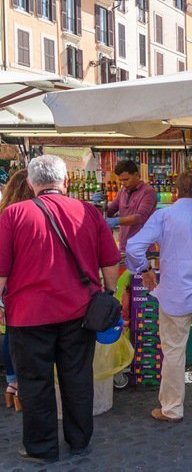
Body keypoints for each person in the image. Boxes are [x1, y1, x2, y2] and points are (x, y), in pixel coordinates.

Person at [0, 155, 119, 464]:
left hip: (27, 316)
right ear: (65, 181)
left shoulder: (13, 214)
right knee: (78, 378)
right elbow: (110, 260)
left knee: (35, 382)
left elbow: (0, 272)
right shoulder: (88, 212)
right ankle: (80, 442)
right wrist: (108, 292)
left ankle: (41, 448)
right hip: (79, 312)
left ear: (30, 182)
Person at [126, 170, 192, 423]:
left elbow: (133, 246)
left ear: (176, 190)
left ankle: (172, 408)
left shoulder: (164, 216)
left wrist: (144, 270)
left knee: (174, 351)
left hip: (175, 294)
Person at [0, 170, 35, 412]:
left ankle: (12, 384)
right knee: (29, 338)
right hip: (28, 286)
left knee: (10, 334)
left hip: (7, 288)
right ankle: (25, 386)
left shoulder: (4, 215)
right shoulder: (31, 216)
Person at [106, 160, 157, 252]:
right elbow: (110, 210)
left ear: (136, 175)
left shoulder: (148, 192)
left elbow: (140, 217)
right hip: (124, 245)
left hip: (143, 248)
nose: (123, 183)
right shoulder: (122, 191)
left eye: (126, 179)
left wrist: (117, 221)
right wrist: (100, 206)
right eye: (121, 180)